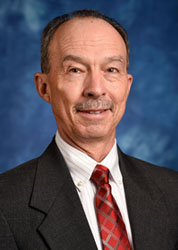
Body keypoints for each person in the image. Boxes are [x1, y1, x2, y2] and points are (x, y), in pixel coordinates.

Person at [0, 9, 178, 250]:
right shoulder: (6, 202)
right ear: (44, 88)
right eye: (76, 70)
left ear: (127, 87)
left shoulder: (172, 191)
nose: (96, 89)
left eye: (111, 70)